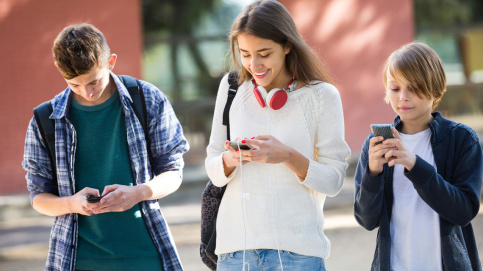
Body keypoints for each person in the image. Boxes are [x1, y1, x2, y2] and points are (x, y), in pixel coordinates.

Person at [22, 23, 189, 271]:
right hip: (77, 261)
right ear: (59, 69)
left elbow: (173, 173)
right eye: (74, 85)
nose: (87, 93)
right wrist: (72, 204)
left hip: (146, 257)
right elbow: (38, 196)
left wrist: (139, 192)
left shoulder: (148, 99)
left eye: (94, 82)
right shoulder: (44, 119)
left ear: (111, 61)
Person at [205, 0, 351, 270]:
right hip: (237, 254)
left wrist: (288, 156)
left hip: (299, 254)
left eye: (264, 53)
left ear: (287, 45)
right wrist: (228, 160)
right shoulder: (231, 88)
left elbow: (333, 182)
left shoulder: (322, 96)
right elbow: (213, 166)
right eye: (245, 53)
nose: (253, 64)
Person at [353, 42, 483, 270]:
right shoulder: (375, 145)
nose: (403, 97)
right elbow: (366, 220)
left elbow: (464, 211)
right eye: (395, 88)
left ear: (434, 87)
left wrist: (415, 165)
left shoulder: (462, 139)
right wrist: (372, 174)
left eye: (413, 88)